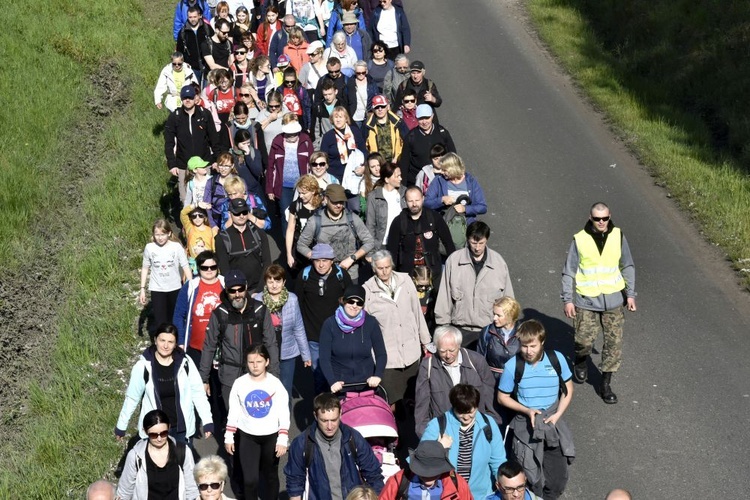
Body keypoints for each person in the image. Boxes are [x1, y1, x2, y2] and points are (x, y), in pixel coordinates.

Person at [561, 201, 637, 404]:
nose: (601, 222)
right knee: (583, 340)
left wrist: (630, 294)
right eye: (597, 219)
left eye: (605, 218)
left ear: (610, 216)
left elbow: (627, 265)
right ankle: (581, 360)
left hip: (614, 300)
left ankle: (605, 384)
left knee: (613, 345)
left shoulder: (618, 236)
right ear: (590, 218)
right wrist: (568, 300)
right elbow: (569, 271)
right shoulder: (580, 239)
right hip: (587, 299)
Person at [497, 320, 575, 500]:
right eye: (524, 346)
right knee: (532, 480)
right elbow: (502, 397)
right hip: (526, 428)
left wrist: (557, 415)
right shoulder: (512, 366)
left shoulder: (556, 359)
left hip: (552, 426)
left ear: (542, 342)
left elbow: (568, 389)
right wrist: (527, 410)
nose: (528, 351)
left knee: (557, 481)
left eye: (533, 346)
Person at [116, 323, 214, 444]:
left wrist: (207, 421)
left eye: (170, 342)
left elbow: (198, 393)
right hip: (154, 431)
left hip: (180, 430)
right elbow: (132, 398)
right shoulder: (143, 366)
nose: (166, 346)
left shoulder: (186, 363)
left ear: (176, 343)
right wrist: (121, 426)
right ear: (155, 340)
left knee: (183, 462)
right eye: (162, 340)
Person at [199, 269, 280, 410]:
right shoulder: (219, 314)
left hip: (258, 374)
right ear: (226, 291)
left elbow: (271, 343)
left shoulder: (260, 310)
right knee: (234, 421)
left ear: (246, 287)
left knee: (257, 416)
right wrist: (203, 378)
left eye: (240, 289)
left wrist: (274, 374)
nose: (237, 295)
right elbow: (209, 346)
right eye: (232, 291)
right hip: (230, 377)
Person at [284, 392, 385, 499]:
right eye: (324, 420)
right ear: (315, 416)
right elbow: (294, 482)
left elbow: (373, 474)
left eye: (333, 420)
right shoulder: (301, 443)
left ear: (340, 413)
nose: (329, 426)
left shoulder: (353, 438)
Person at [362, 250, 429, 409]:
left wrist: (425, 340)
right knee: (391, 404)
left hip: (411, 353)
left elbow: (417, 312)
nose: (384, 271)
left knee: (414, 400)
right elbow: (366, 328)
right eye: (380, 268)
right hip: (388, 358)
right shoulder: (367, 291)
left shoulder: (405, 280)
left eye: (387, 267)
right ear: (374, 269)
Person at [434, 221, 515, 347]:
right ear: (467, 239)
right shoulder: (454, 261)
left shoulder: (499, 263)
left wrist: (508, 329)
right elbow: (444, 298)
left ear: (487, 240)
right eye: (473, 243)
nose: (477, 248)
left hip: (490, 331)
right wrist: (443, 329)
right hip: (459, 330)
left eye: (481, 243)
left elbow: (508, 301)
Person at [225, 345, 290, 500]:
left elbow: (283, 412)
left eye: (259, 361)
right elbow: (233, 411)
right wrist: (229, 436)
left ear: (267, 362)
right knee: (250, 480)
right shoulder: (239, 383)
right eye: (251, 361)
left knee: (271, 476)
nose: (255, 365)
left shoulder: (275, 384)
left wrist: (282, 438)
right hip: (248, 437)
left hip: (271, 436)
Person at [421, 384, 506, 499]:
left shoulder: (488, 424)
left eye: (471, 412)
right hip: (446, 494)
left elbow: (498, 461)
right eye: (461, 412)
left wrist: (505, 488)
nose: (466, 417)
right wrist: (439, 446)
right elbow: (421, 460)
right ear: (453, 407)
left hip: (480, 495)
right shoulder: (437, 425)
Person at [414, 326, 498, 437]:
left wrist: (490, 429)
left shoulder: (477, 361)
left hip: (475, 430)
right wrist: (426, 436)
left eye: (452, 350)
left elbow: (490, 399)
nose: (448, 356)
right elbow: (422, 406)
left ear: (459, 345)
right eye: (442, 351)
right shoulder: (427, 366)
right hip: (444, 433)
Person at [295, 243, 354, 393]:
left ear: (332, 260)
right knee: (319, 378)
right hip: (314, 337)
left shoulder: (342, 276)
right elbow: (298, 306)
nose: (321, 265)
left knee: (339, 377)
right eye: (317, 260)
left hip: (338, 336)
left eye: (325, 260)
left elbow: (350, 305)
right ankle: (321, 411)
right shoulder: (304, 276)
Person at [252, 265, 312, 397]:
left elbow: (298, 328)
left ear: (284, 282)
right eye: (270, 281)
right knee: (266, 391)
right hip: (265, 352)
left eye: (277, 281)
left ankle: (285, 417)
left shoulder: (292, 299)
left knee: (284, 391)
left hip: (287, 352)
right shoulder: (257, 300)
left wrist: (306, 355)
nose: (274, 285)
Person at [297, 183, 375, 282]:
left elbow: (369, 242)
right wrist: (319, 259)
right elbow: (301, 245)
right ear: (326, 199)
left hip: (350, 273)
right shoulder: (315, 221)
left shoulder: (352, 219)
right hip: (325, 275)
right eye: (335, 201)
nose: (338, 205)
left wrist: (352, 258)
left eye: (341, 202)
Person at [116, 410, 199, 500]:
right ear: (145, 432)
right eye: (153, 435)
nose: (159, 439)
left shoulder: (183, 452)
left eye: (163, 433)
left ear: (169, 428)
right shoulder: (136, 456)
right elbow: (124, 492)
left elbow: (192, 489)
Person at [319, 284, 387, 393]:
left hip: (366, 383)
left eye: (359, 303)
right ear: (344, 301)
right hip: (340, 384)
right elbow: (324, 357)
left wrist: (378, 375)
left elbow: (381, 353)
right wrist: (332, 381)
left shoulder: (371, 322)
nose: (354, 306)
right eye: (351, 301)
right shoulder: (330, 324)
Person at [164, 85, 222, 202]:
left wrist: (216, 159)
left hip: (204, 163)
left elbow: (214, 139)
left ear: (195, 98)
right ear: (181, 98)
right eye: (185, 98)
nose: (188, 100)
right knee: (185, 200)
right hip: (183, 165)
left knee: (206, 199)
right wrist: (172, 163)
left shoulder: (204, 114)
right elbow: (169, 142)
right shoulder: (175, 117)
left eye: (190, 97)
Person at [386, 186, 455, 279]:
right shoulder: (399, 221)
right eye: (410, 201)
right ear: (405, 201)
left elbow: (448, 243)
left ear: (422, 199)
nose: (414, 204)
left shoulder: (434, 217)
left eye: (417, 200)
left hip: (433, 271)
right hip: (407, 274)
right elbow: (391, 250)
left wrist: (454, 266)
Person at [139, 219, 192, 335]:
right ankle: (162, 346)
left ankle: (177, 345)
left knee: (175, 319)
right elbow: (145, 268)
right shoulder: (149, 248)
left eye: (162, 234)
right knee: (160, 321)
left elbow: (185, 266)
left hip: (175, 288)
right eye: (157, 234)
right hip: (157, 289)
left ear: (169, 233)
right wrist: (142, 289)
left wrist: (191, 285)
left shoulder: (176, 247)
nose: (160, 238)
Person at [378, 439, 471, 500]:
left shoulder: (457, 483)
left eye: (434, 472)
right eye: (424, 471)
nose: (429, 476)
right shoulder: (399, 481)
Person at [214, 198, 272, 293]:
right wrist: (238, 291)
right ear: (230, 214)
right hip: (237, 291)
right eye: (237, 213)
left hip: (259, 288)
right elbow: (225, 270)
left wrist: (259, 290)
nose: (241, 216)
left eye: (244, 212)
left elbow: (267, 263)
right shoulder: (221, 238)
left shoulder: (259, 233)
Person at [267, 119, 314, 232]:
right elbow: (270, 166)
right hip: (283, 186)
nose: (292, 137)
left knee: (304, 214)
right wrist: (270, 189)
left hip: (302, 186)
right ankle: (287, 243)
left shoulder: (306, 141)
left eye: (294, 134)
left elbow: (312, 163)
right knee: (286, 215)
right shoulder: (277, 141)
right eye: (289, 134)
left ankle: (302, 242)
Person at [399, 104, 456, 186]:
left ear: (432, 116)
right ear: (416, 118)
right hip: (418, 181)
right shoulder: (410, 137)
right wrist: (403, 186)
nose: (424, 122)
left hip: (442, 179)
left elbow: (453, 155)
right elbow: (404, 163)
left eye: (427, 118)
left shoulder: (442, 132)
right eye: (421, 118)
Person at [424, 152, 488, 225]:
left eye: (444, 170)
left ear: (453, 168)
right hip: (445, 223)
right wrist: (441, 200)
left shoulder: (471, 182)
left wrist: (465, 209)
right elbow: (426, 203)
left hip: (466, 225)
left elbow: (482, 207)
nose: (441, 172)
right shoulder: (438, 180)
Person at [477, 297, 522, 382]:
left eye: (499, 315)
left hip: (516, 380)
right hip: (491, 381)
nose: (494, 318)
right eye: (494, 314)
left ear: (510, 315)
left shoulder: (524, 332)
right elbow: (479, 358)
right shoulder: (487, 331)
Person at [286, 174, 324, 270]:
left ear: (313, 191)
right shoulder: (296, 206)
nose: (300, 196)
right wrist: (289, 254)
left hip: (318, 248)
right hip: (300, 249)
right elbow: (290, 230)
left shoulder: (321, 206)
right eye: (299, 193)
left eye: (304, 193)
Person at [319, 106, 367, 180]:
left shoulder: (355, 131)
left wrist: (364, 166)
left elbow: (363, 151)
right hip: (335, 176)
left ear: (346, 118)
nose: (338, 120)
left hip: (355, 174)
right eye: (336, 117)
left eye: (341, 117)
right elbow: (323, 157)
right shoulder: (327, 136)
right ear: (332, 119)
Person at [365, 163, 405, 248]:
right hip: (382, 245)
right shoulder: (374, 197)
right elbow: (370, 224)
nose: (400, 179)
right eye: (397, 176)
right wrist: (370, 250)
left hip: (402, 243)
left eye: (400, 175)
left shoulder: (404, 193)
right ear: (387, 179)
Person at [176, 6, 215, 85]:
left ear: (199, 16)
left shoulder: (207, 28)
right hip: (192, 67)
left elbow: (214, 44)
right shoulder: (183, 32)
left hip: (207, 65)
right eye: (190, 17)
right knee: (195, 92)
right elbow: (179, 51)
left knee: (206, 92)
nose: (193, 19)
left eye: (195, 16)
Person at [363, 94, 404, 164]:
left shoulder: (398, 122)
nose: (380, 109)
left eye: (382, 106)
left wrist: (398, 157)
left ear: (388, 107)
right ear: (373, 109)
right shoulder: (367, 125)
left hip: (395, 162)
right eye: (377, 107)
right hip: (377, 165)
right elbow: (363, 146)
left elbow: (405, 141)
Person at [180, 205, 215, 276]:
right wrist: (196, 204)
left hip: (207, 264)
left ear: (205, 217)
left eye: (200, 215)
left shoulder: (211, 231)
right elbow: (183, 213)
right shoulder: (189, 228)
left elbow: (214, 249)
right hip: (194, 265)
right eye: (194, 216)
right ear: (191, 218)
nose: (197, 218)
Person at [346, 61, 379, 128]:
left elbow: (376, 97)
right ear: (355, 72)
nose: (361, 74)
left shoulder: (371, 82)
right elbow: (346, 100)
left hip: (368, 115)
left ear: (366, 71)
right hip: (355, 117)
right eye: (358, 73)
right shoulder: (350, 83)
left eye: (363, 73)